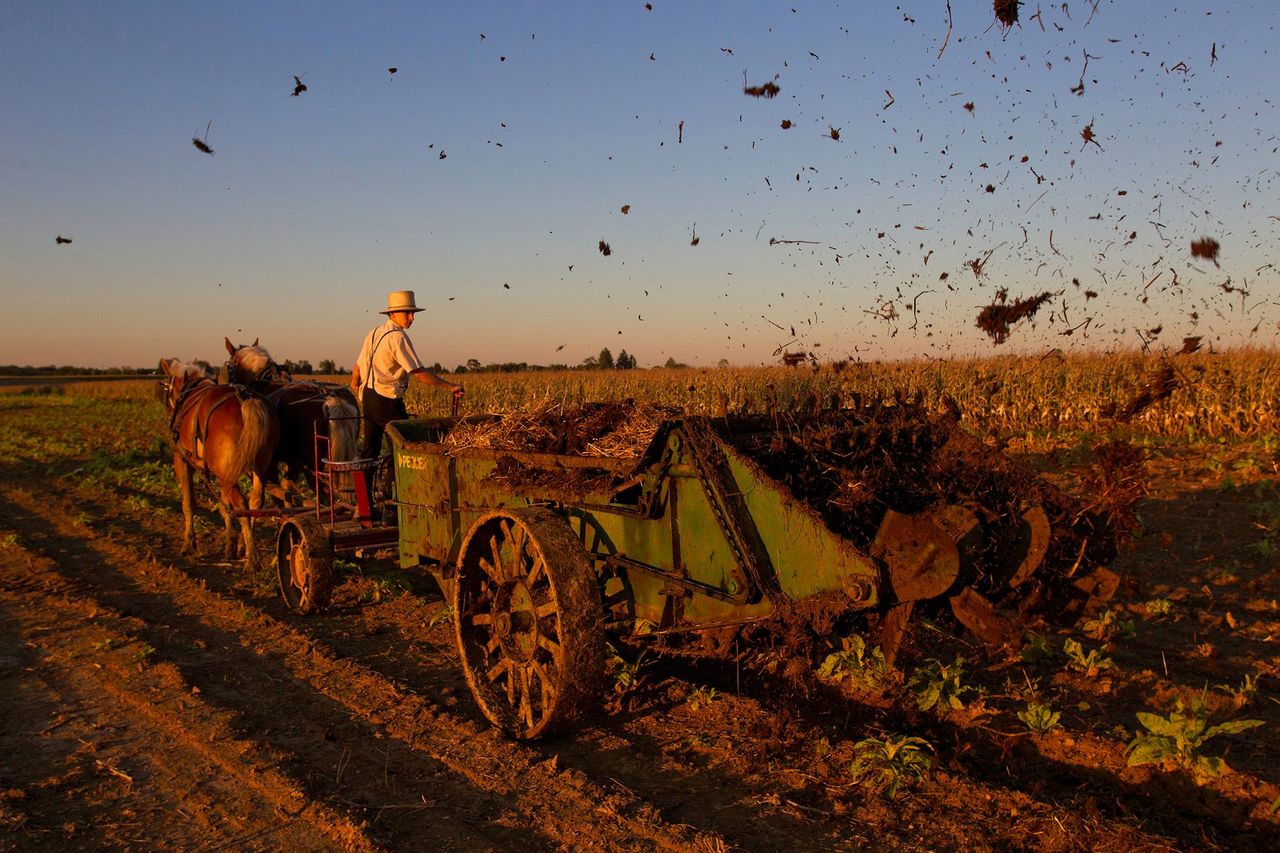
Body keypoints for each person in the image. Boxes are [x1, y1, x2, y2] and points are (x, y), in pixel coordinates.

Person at [351, 290, 463, 462]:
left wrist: (355, 385)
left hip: (368, 397)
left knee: (370, 451)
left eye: (413, 313)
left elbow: (357, 368)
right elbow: (419, 373)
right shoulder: (398, 337)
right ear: (392, 313)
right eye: (407, 313)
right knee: (403, 451)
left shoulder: (373, 333)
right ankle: (396, 488)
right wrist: (450, 386)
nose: (412, 318)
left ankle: (367, 488)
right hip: (386, 400)